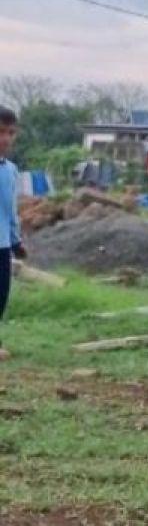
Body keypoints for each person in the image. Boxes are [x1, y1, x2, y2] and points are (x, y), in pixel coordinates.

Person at [0, 106, 26, 362]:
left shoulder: (10, 170)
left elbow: (10, 210)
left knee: (1, 295)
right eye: (0, 132)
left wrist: (16, 240)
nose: (5, 138)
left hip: (2, 244)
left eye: (10, 132)